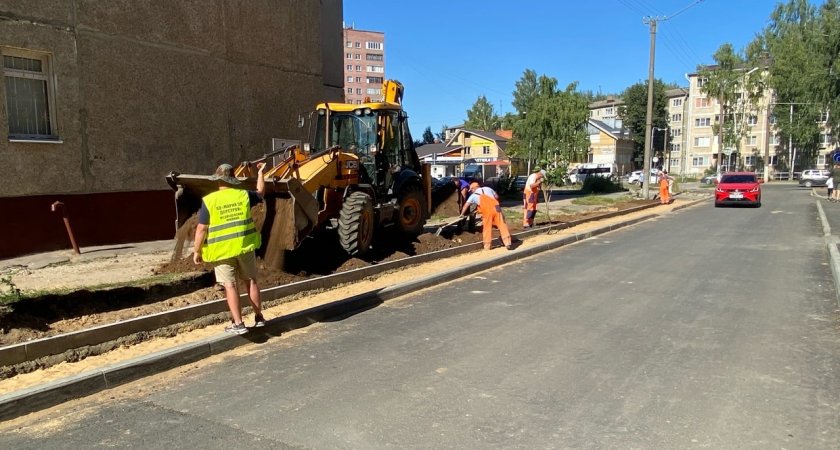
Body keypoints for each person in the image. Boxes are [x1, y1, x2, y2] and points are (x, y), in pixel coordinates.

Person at [193, 163, 267, 334]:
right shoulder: (243, 195)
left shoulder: (209, 200)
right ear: (233, 179)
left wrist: (197, 251)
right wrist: (261, 173)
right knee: (251, 281)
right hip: (244, 247)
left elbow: (201, 229)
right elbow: (261, 193)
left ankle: (239, 324)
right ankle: (259, 317)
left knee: (230, 285)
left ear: (218, 180)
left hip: (222, 250)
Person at [461, 182, 513, 250]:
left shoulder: (473, 196)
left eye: (471, 190)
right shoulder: (488, 188)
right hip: (497, 208)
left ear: (474, 188)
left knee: (487, 228)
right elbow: (497, 197)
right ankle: (508, 243)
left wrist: (462, 214)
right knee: (502, 225)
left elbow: (466, 205)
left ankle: (487, 246)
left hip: (487, 212)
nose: (471, 192)